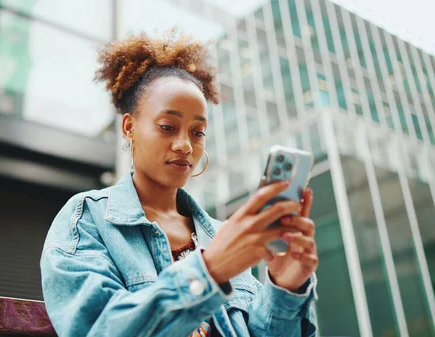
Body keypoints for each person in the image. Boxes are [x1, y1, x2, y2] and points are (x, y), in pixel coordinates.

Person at [40, 31, 318, 337]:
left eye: (197, 132)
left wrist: (285, 288)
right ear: (129, 127)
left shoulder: (222, 236)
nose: (185, 145)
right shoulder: (88, 219)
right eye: (167, 127)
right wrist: (209, 271)